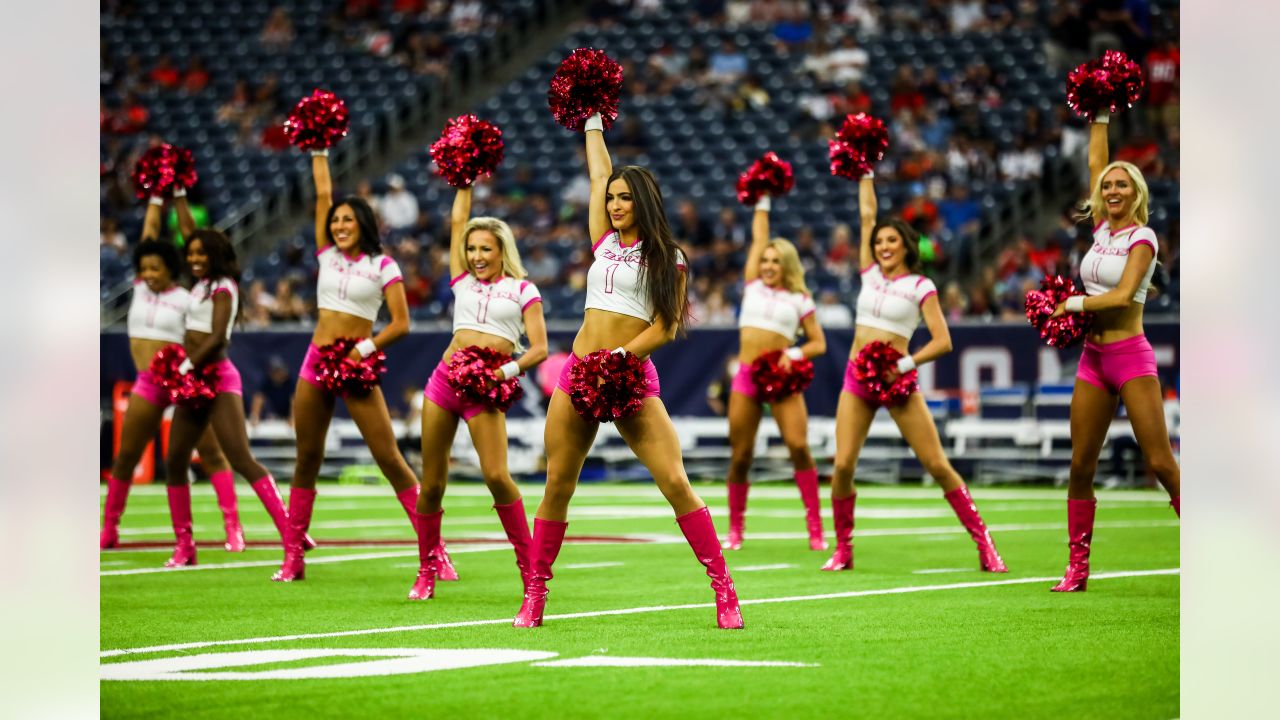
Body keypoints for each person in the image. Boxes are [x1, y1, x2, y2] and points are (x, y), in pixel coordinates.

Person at [512, 111, 743, 629]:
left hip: (630, 374)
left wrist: (622, 358)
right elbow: (598, 174)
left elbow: (665, 326)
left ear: (644, 202)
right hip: (577, 373)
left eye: (623, 197)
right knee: (557, 485)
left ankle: (724, 591)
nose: (614, 204)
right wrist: (592, 119)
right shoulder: (602, 244)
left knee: (675, 481)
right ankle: (534, 596)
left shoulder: (669, 257)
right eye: (611, 198)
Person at [825, 171, 1008, 574]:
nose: (883, 246)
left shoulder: (921, 286)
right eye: (878, 242)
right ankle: (843, 548)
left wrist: (903, 365)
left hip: (898, 381)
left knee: (937, 464)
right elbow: (867, 215)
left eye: (891, 241)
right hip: (857, 378)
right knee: (842, 465)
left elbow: (943, 341)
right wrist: (866, 171)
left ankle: (985, 544)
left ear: (906, 245)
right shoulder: (869, 274)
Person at [274, 148, 424, 582]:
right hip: (316, 359)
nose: (339, 225)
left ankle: (433, 548)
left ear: (363, 224)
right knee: (307, 457)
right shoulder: (326, 256)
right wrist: (319, 149)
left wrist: (366, 347)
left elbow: (401, 323)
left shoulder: (383, 264)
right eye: (335, 220)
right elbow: (323, 192)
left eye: (347, 219)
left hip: (355, 361)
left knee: (387, 456)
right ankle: (293, 557)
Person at [1046, 108, 1180, 592]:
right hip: (1093, 360)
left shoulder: (1142, 237)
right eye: (1107, 187)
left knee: (1161, 463)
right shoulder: (1102, 229)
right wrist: (1098, 112)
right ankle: (1077, 567)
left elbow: (1123, 295)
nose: (1112, 191)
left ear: (1137, 193)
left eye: (1121, 186)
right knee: (1081, 465)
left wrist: (1073, 303)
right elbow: (1095, 163)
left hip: (1129, 356)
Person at [407, 184, 549, 601]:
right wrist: (464, 184)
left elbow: (539, 349)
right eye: (471, 249)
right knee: (431, 484)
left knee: (497, 477)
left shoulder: (525, 290)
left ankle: (530, 572)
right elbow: (455, 222)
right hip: (443, 382)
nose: (477, 257)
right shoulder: (461, 283)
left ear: (502, 250)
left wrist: (503, 372)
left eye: (485, 249)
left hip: (486, 389)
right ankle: (426, 570)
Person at [100, 191, 243, 553]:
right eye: (144, 269)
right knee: (125, 457)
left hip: (184, 382)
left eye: (155, 269)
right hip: (147, 382)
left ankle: (233, 526)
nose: (148, 274)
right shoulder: (139, 292)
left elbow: (203, 338)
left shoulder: (186, 297)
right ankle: (110, 528)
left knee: (211, 453)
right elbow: (148, 236)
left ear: (171, 269)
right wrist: (154, 196)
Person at [161, 228, 293, 567]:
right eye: (190, 254)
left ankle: (291, 535)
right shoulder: (199, 285)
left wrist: (187, 364)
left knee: (240, 457)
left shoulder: (224, 287)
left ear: (216, 255)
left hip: (216, 377)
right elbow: (191, 230)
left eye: (201, 254)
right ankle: (185, 545)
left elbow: (219, 336)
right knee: (175, 459)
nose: (193, 259)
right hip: (193, 379)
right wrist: (175, 196)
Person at [724, 192, 828, 551]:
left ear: (787, 265)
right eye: (765, 260)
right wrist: (764, 200)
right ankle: (736, 528)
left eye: (774, 261)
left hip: (781, 377)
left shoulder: (800, 299)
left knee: (798, 446)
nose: (767, 265)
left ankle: (814, 525)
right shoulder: (751, 284)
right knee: (741, 454)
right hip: (748, 376)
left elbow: (819, 343)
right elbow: (758, 235)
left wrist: (794, 353)